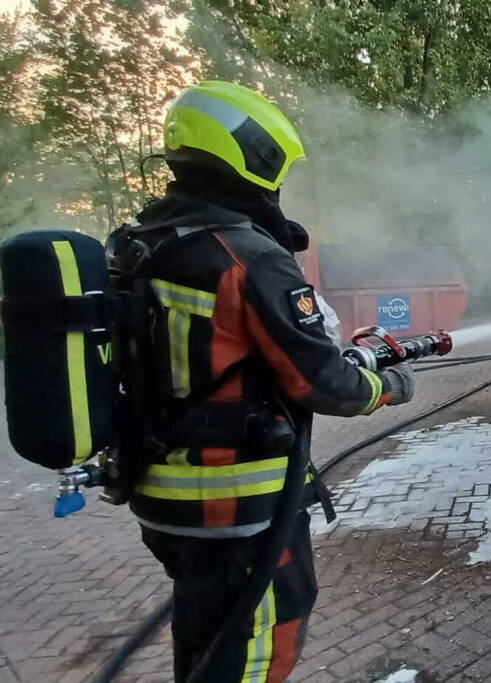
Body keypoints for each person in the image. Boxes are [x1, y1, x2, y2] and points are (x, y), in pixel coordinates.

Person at [108, 81, 415, 682]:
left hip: (161, 489)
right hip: (236, 501)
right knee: (259, 638)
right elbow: (324, 385)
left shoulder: (142, 245)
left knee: (208, 632)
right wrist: (388, 385)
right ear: (254, 158)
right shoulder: (245, 255)